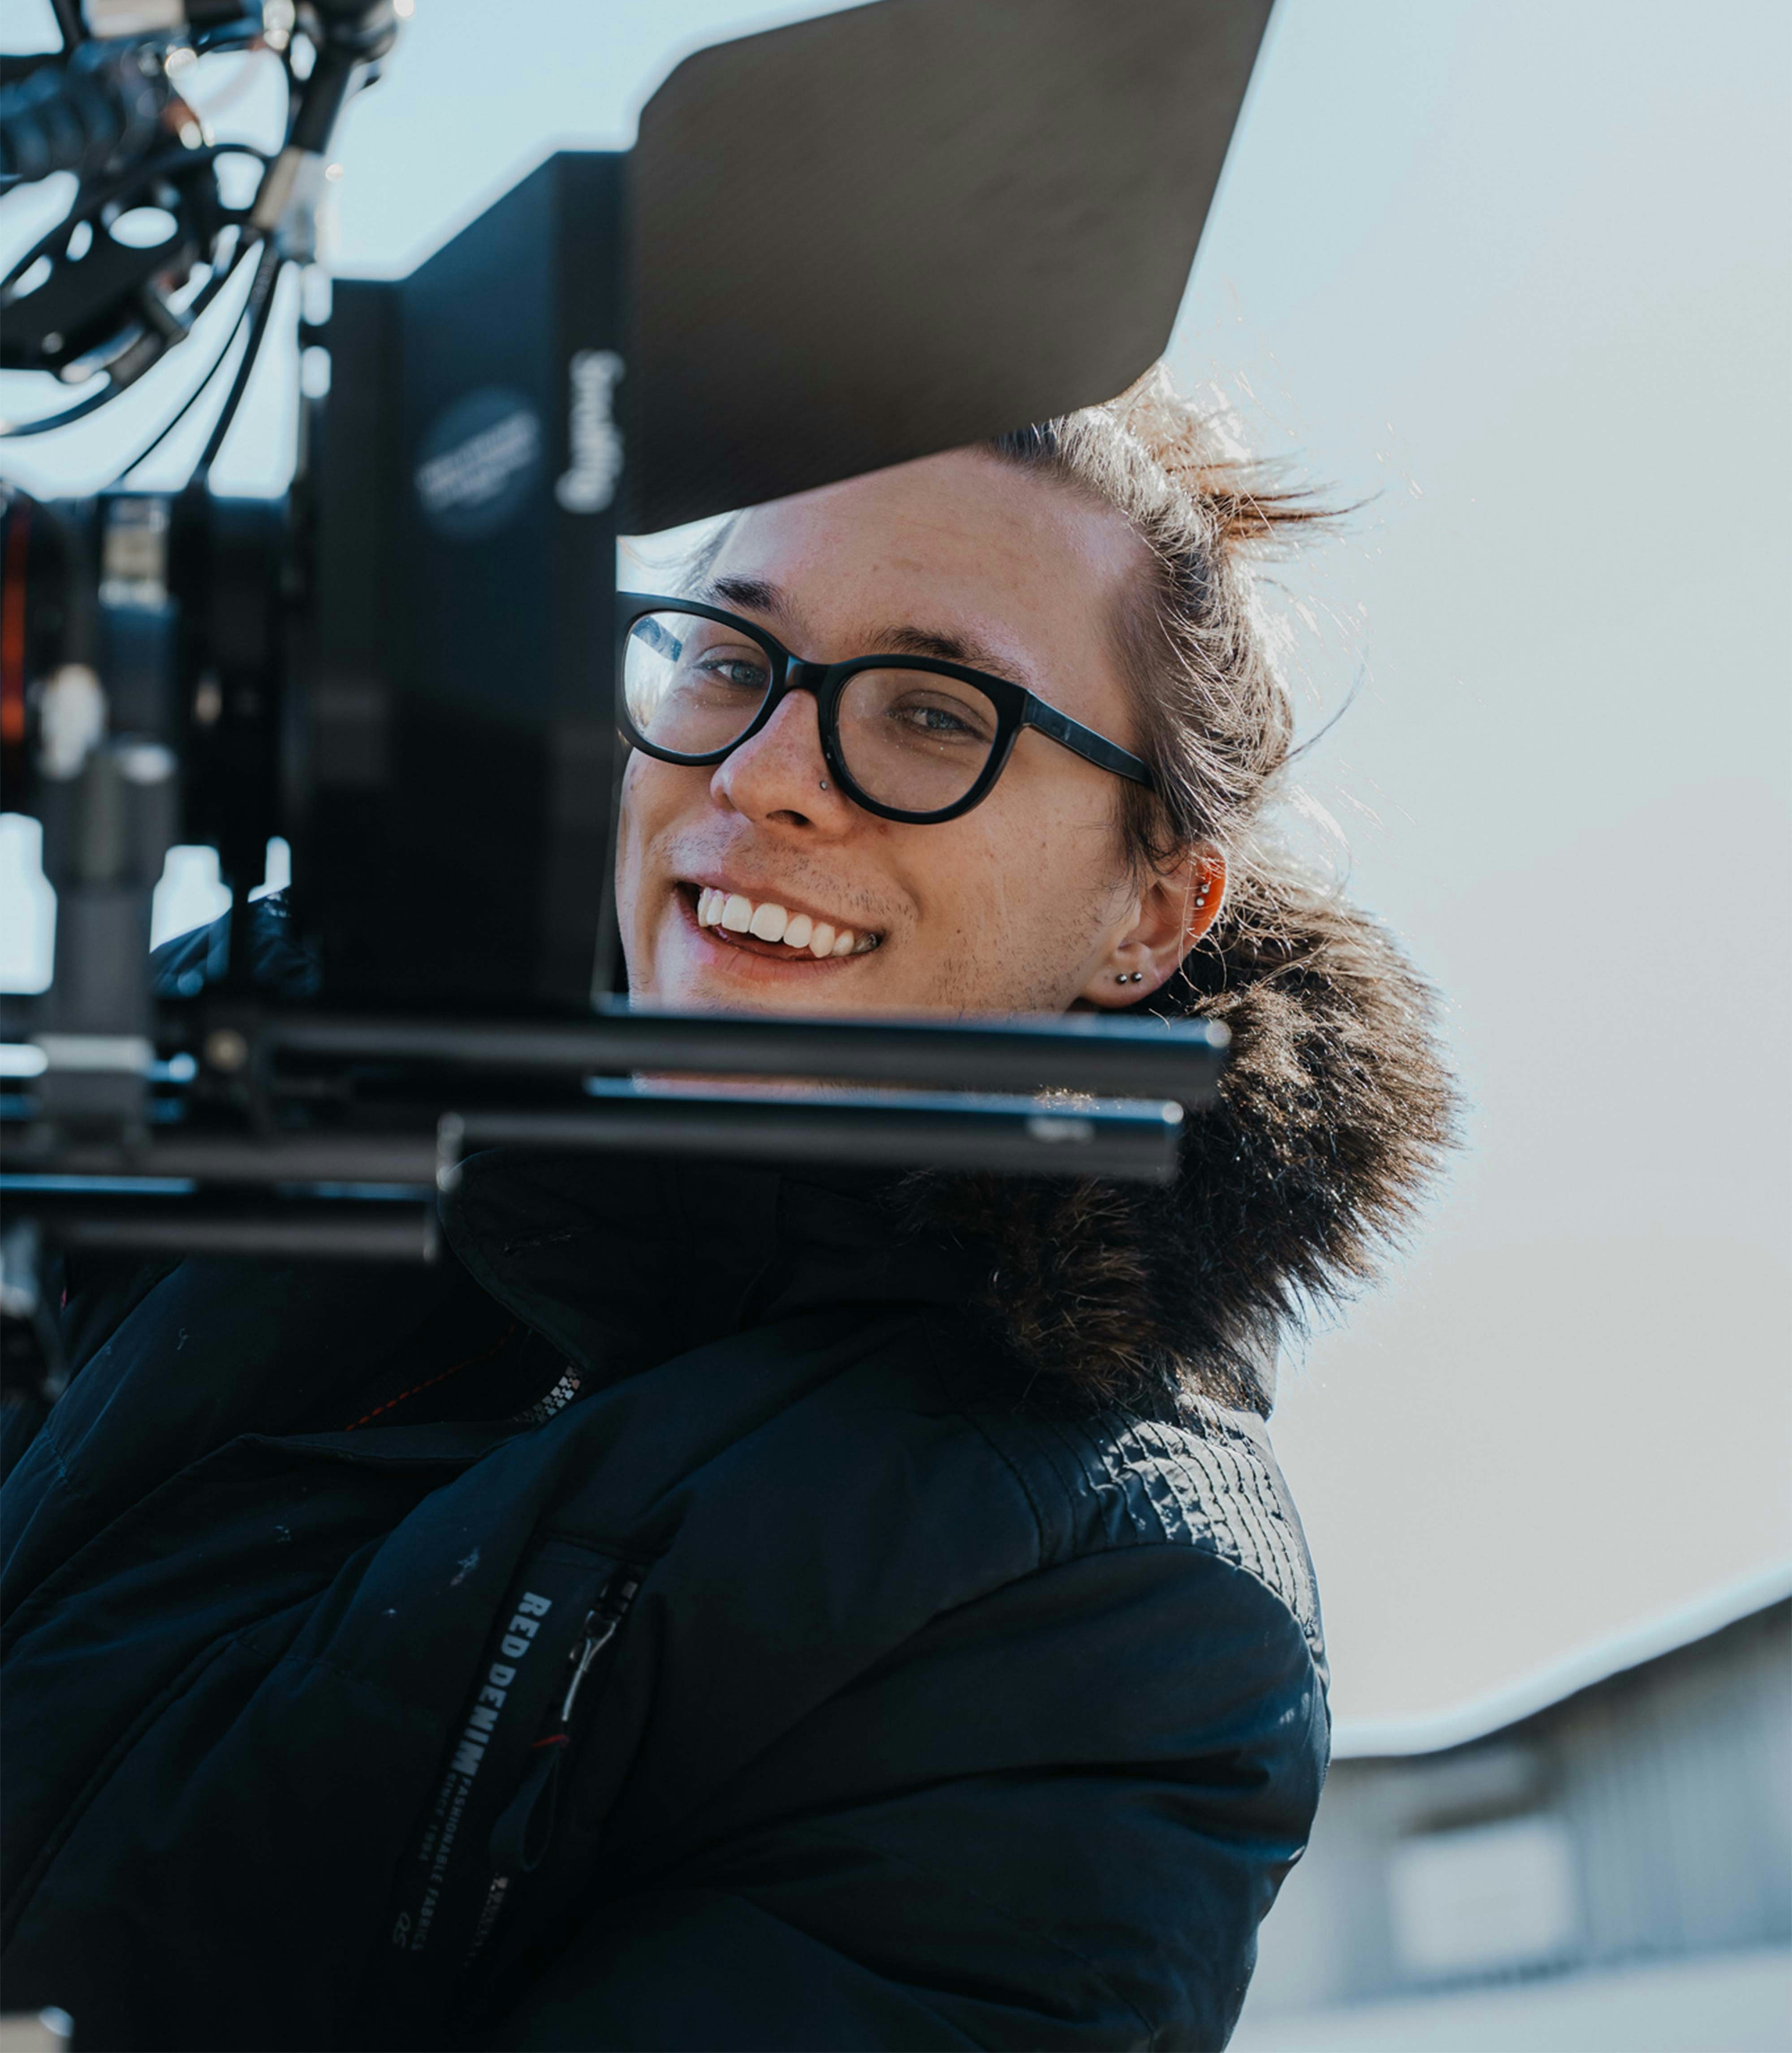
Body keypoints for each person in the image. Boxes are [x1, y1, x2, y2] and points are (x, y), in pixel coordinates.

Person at [0, 373, 1452, 2052]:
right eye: (728, 659)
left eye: (932, 712)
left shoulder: (1124, 1610)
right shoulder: (256, 1073)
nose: (764, 776)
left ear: (1151, 909)